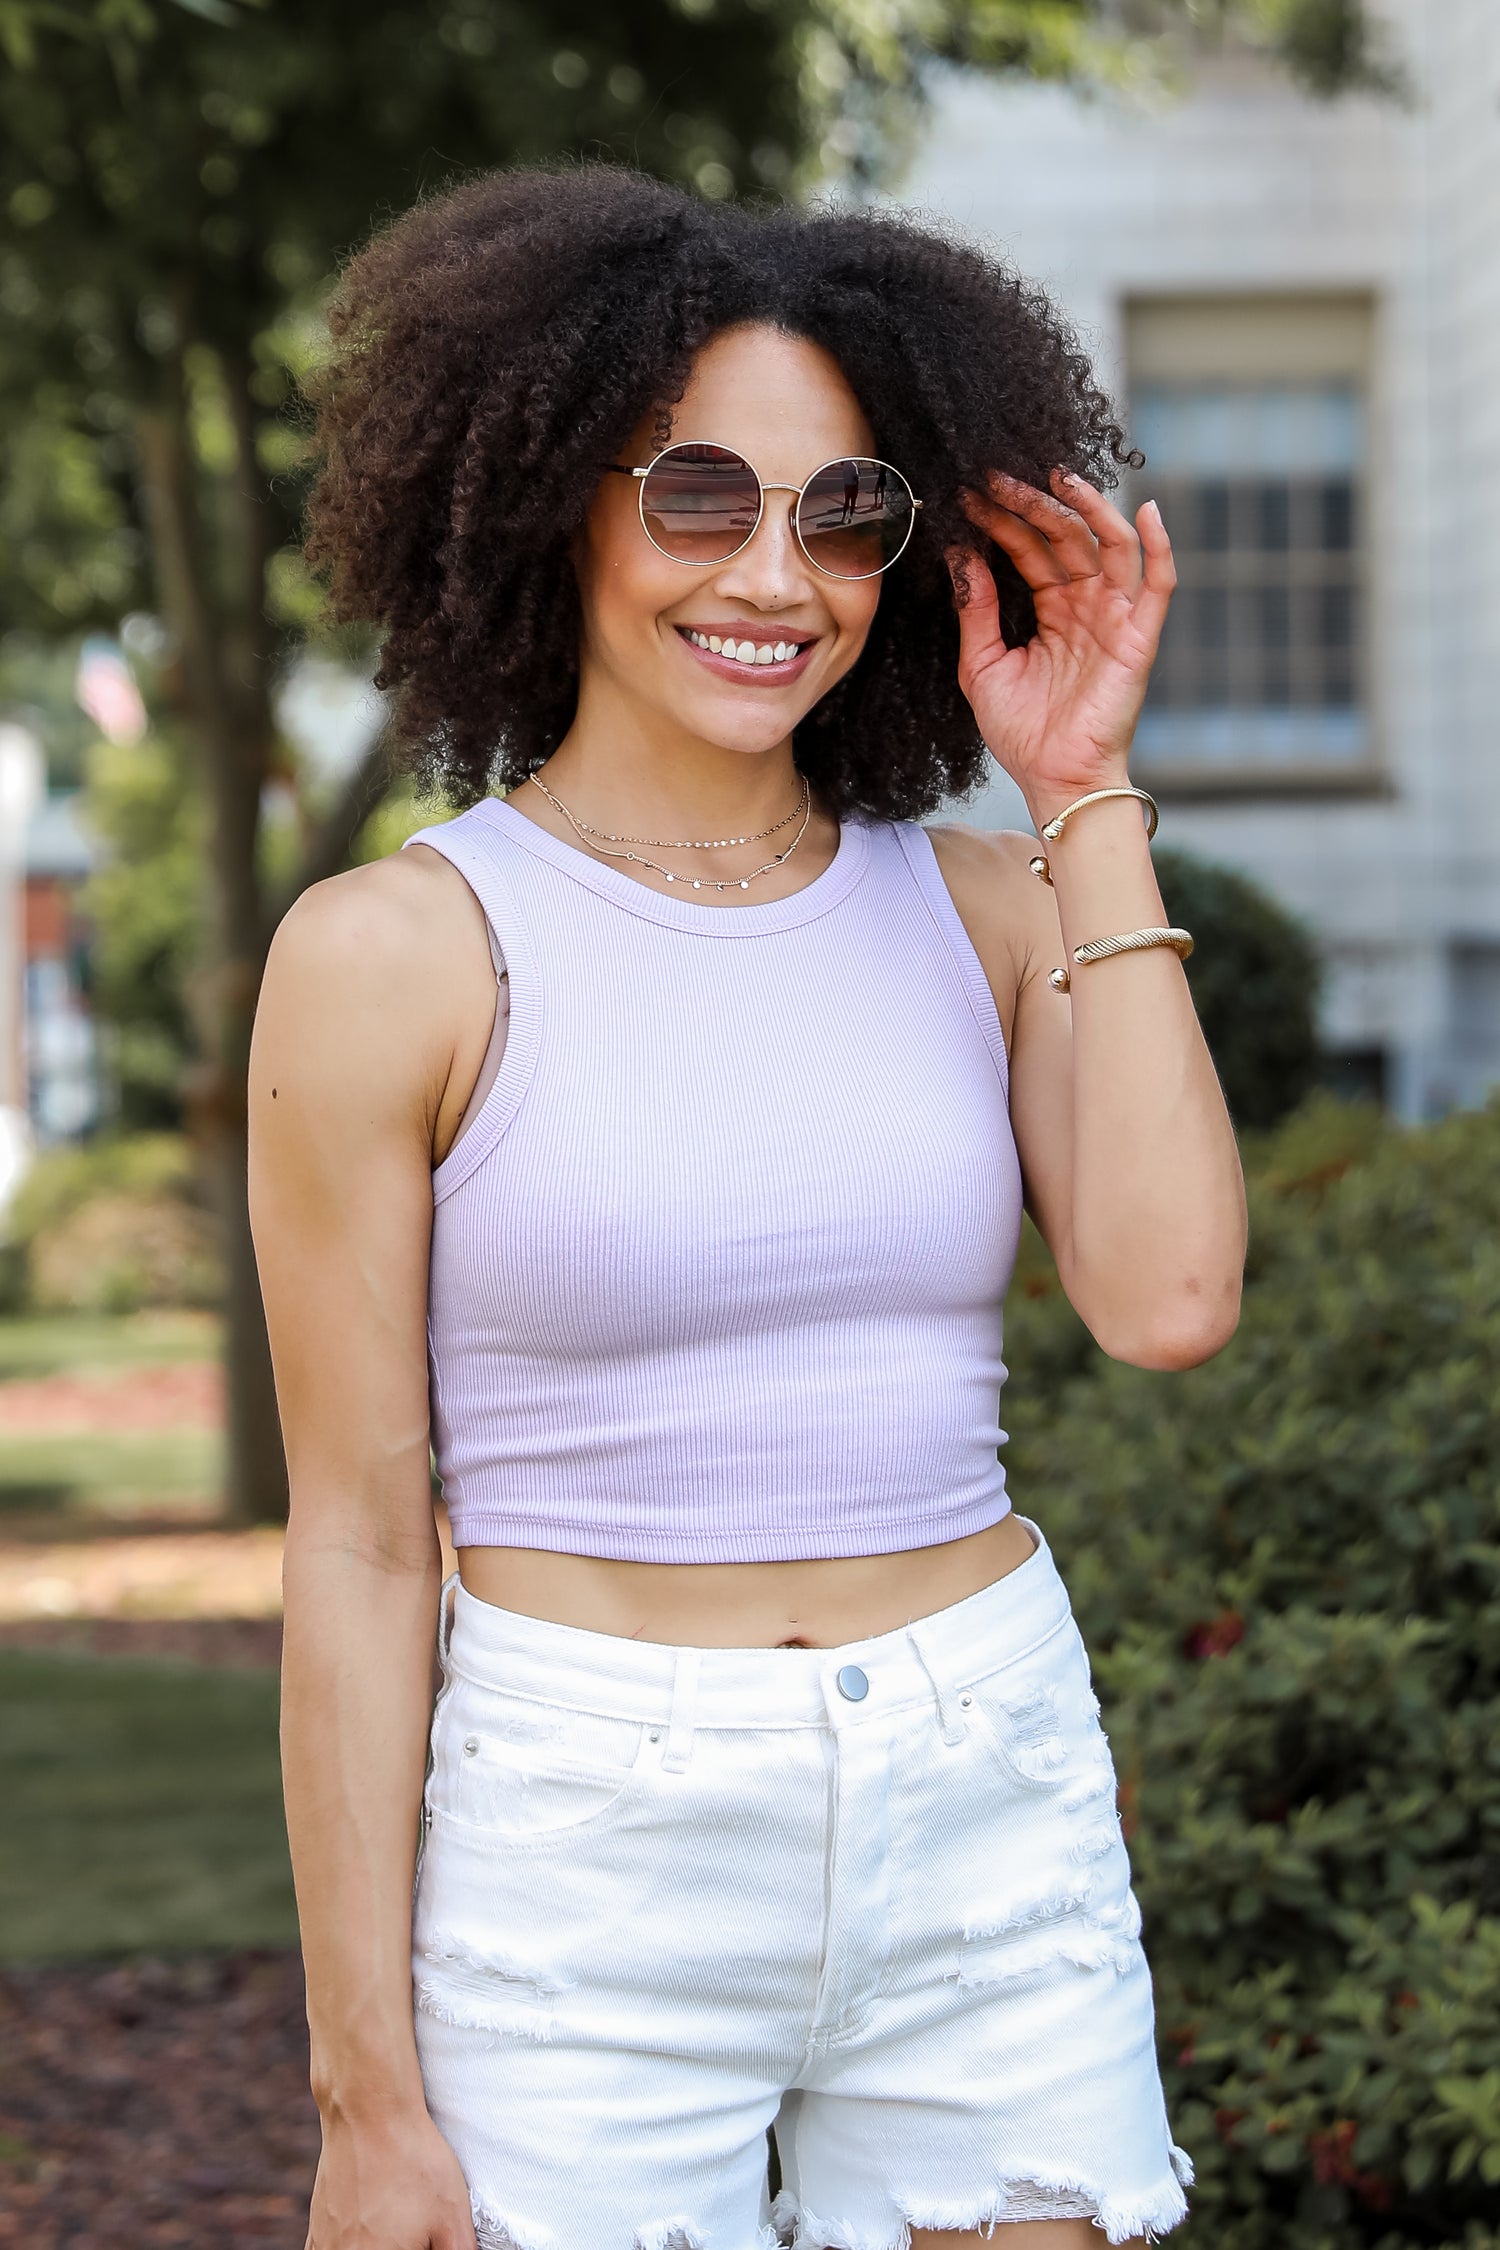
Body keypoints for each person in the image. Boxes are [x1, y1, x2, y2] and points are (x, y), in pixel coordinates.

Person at [248, 165, 1247, 2250]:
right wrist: (365, 2094)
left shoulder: (988, 914)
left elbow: (1164, 1297)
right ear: (553, 502)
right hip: (585, 1837)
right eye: (698, 495)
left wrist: (1078, 797)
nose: (773, 572)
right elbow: (351, 1541)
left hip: (981, 1785)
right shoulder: (394, 957)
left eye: (844, 511)